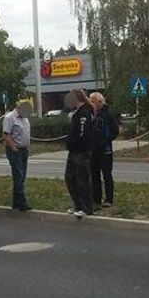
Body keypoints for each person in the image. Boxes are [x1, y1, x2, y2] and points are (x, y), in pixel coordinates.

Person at [64, 87, 96, 218]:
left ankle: (86, 207)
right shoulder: (77, 112)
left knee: (82, 179)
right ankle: (78, 204)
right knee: (70, 178)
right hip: (74, 150)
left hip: (81, 150)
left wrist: (72, 142)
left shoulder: (84, 113)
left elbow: (82, 133)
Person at [89, 92, 119, 207]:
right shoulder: (91, 114)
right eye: (90, 100)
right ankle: (96, 199)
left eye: (93, 101)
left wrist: (105, 141)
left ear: (100, 102)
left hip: (105, 150)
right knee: (94, 175)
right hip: (93, 150)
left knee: (106, 175)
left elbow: (115, 131)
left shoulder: (107, 114)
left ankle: (109, 199)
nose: (91, 103)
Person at [2, 100, 32, 211]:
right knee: (18, 175)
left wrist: (28, 146)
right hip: (15, 150)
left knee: (22, 175)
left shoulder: (25, 118)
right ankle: (22, 202)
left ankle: (16, 202)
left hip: (24, 150)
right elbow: (6, 134)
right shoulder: (10, 117)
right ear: (19, 107)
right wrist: (13, 148)